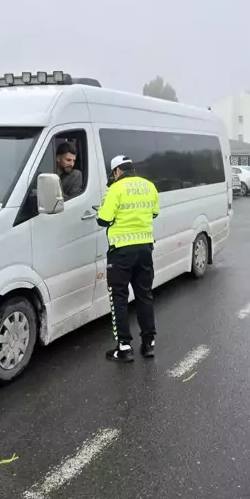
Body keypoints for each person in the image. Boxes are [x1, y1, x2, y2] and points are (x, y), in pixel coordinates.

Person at [97, 155, 160, 363]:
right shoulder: (149, 186)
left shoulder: (115, 189)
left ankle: (124, 347)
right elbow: (154, 214)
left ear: (116, 171)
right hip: (145, 249)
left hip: (121, 252)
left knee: (119, 298)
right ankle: (149, 344)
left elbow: (103, 220)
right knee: (144, 295)